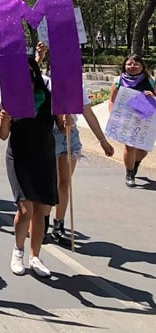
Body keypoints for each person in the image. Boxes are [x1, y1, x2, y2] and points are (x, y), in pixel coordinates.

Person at [0, 57, 70, 278]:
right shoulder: (10, 97)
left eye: (30, 71)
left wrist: (67, 122)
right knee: (25, 209)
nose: (26, 75)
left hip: (44, 157)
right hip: (19, 157)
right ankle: (18, 251)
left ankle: (35, 256)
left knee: (40, 211)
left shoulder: (50, 97)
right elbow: (3, 136)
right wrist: (4, 120)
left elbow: (62, 128)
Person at [35, 44, 115, 245]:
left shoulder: (76, 86)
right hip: (47, 136)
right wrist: (39, 56)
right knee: (49, 183)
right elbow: (28, 77)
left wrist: (102, 141)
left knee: (64, 183)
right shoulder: (45, 82)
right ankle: (42, 224)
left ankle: (58, 225)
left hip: (70, 137)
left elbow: (88, 113)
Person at [108, 54, 154, 187]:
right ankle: (129, 173)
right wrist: (113, 115)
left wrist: (152, 95)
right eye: (129, 64)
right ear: (124, 66)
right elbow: (112, 101)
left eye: (136, 64)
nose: (132, 66)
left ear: (142, 66)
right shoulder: (118, 81)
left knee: (143, 150)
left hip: (144, 120)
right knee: (129, 146)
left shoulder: (150, 81)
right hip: (125, 120)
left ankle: (134, 164)